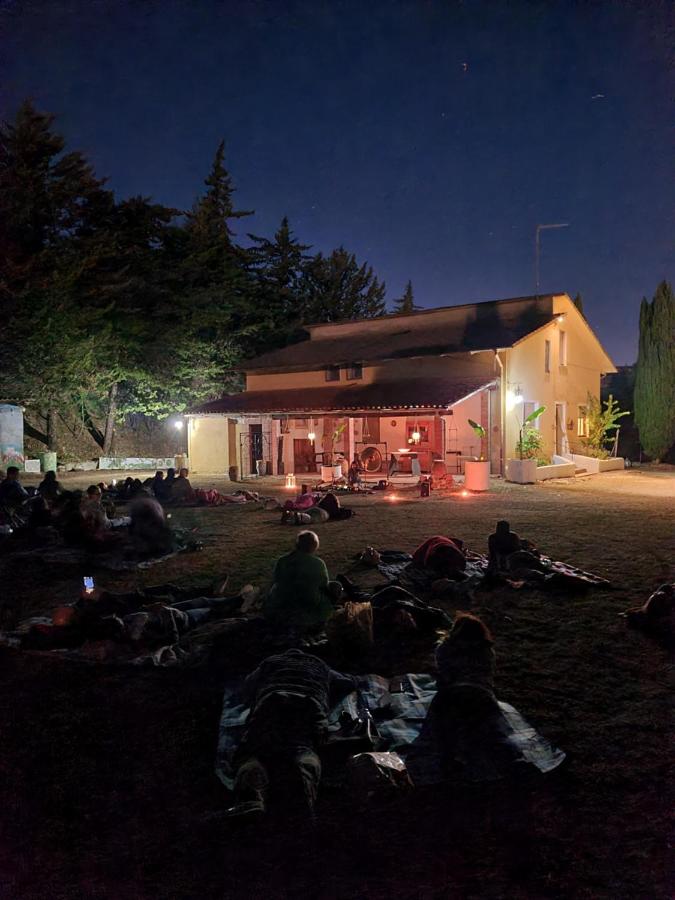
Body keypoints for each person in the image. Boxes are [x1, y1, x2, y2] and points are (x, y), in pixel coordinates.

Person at [229, 649, 357, 818]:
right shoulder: (322, 667)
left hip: (272, 702)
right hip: (310, 704)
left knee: (254, 752)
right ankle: (304, 790)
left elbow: (247, 686)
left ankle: (251, 800)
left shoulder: (272, 661)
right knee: (304, 749)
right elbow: (349, 683)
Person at [264, 531, 341, 632]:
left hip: (280, 606)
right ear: (314, 546)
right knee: (336, 586)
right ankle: (319, 617)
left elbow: (276, 580)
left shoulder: (282, 561)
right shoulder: (318, 563)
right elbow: (324, 585)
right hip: (307, 608)